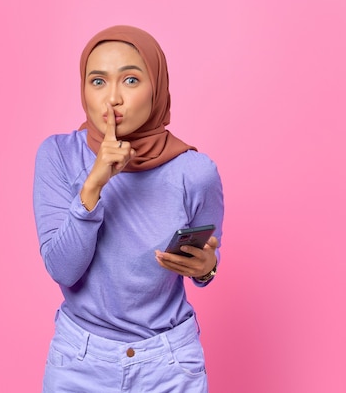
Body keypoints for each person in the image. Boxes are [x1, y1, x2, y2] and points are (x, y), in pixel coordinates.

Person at [32, 25, 224, 392]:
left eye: (131, 80)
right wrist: (94, 184)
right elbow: (63, 270)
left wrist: (206, 270)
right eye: (98, 81)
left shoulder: (195, 172)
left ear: (157, 87)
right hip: (79, 361)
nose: (113, 99)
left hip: (168, 364)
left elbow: (206, 259)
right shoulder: (58, 155)